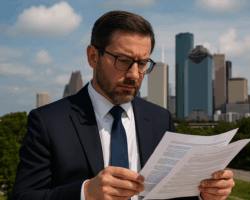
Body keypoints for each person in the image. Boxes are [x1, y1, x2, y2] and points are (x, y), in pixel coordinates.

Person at [12, 10, 235, 200]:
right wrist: (85, 192)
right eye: (123, 61)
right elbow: (23, 196)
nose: (134, 75)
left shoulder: (161, 119)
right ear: (93, 56)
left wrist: (204, 194)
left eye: (142, 63)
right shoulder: (48, 121)